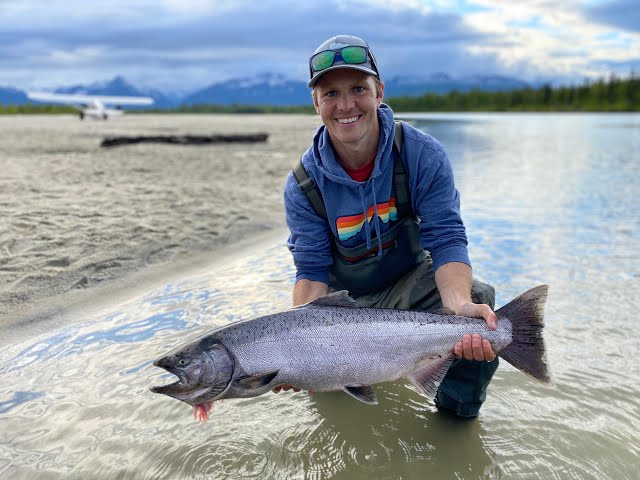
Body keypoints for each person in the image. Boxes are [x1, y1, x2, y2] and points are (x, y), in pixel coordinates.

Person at [280, 34, 499, 417]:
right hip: (338, 307)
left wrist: (459, 305)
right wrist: (296, 351)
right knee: (335, 408)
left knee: (477, 303)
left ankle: (455, 421)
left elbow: (447, 240)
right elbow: (311, 271)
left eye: (358, 89)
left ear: (379, 92)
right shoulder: (303, 184)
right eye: (330, 93)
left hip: (407, 287)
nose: (346, 105)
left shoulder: (422, 155)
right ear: (315, 103)